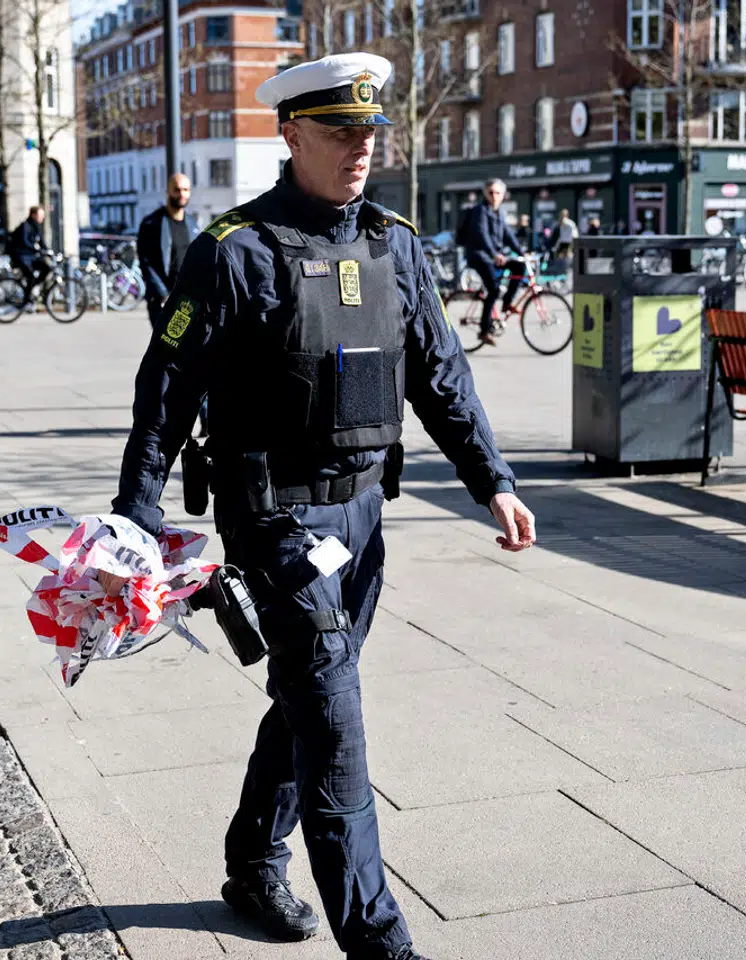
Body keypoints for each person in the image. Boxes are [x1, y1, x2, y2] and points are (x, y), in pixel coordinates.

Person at [105, 52, 534, 960]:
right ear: (289, 132)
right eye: (341, 133)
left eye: (370, 134)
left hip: (364, 521)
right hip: (271, 523)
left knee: (307, 698)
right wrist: (135, 511)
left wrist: (491, 478)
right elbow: (166, 390)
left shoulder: (395, 244)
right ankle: (382, 946)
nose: (360, 150)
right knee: (336, 726)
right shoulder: (232, 252)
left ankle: (255, 859)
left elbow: (441, 375)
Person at [457, 178, 525, 347]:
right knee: (493, 290)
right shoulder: (480, 211)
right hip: (479, 256)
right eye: (491, 192)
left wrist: (523, 253)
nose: (494, 196)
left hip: (493, 256)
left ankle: (507, 303)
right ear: (485, 194)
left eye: (498, 193)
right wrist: (495, 254)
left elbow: (508, 235)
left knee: (520, 266)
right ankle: (484, 331)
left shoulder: (500, 213)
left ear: (503, 195)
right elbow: (482, 235)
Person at [137, 173, 198, 330]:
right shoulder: (151, 223)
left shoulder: (192, 224)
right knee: (165, 349)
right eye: (177, 189)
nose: (181, 194)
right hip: (161, 300)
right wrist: (163, 294)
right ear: (168, 191)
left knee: (184, 349)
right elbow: (146, 263)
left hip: (186, 300)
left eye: (185, 189)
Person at [9, 206, 49, 303]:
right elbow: (25, 242)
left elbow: (42, 242)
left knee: (47, 268)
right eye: (40, 215)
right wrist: (37, 250)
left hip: (30, 257)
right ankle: (25, 299)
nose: (42, 218)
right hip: (20, 257)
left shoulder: (37, 227)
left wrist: (48, 251)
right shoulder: (25, 226)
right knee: (30, 275)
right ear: (33, 215)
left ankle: (31, 288)